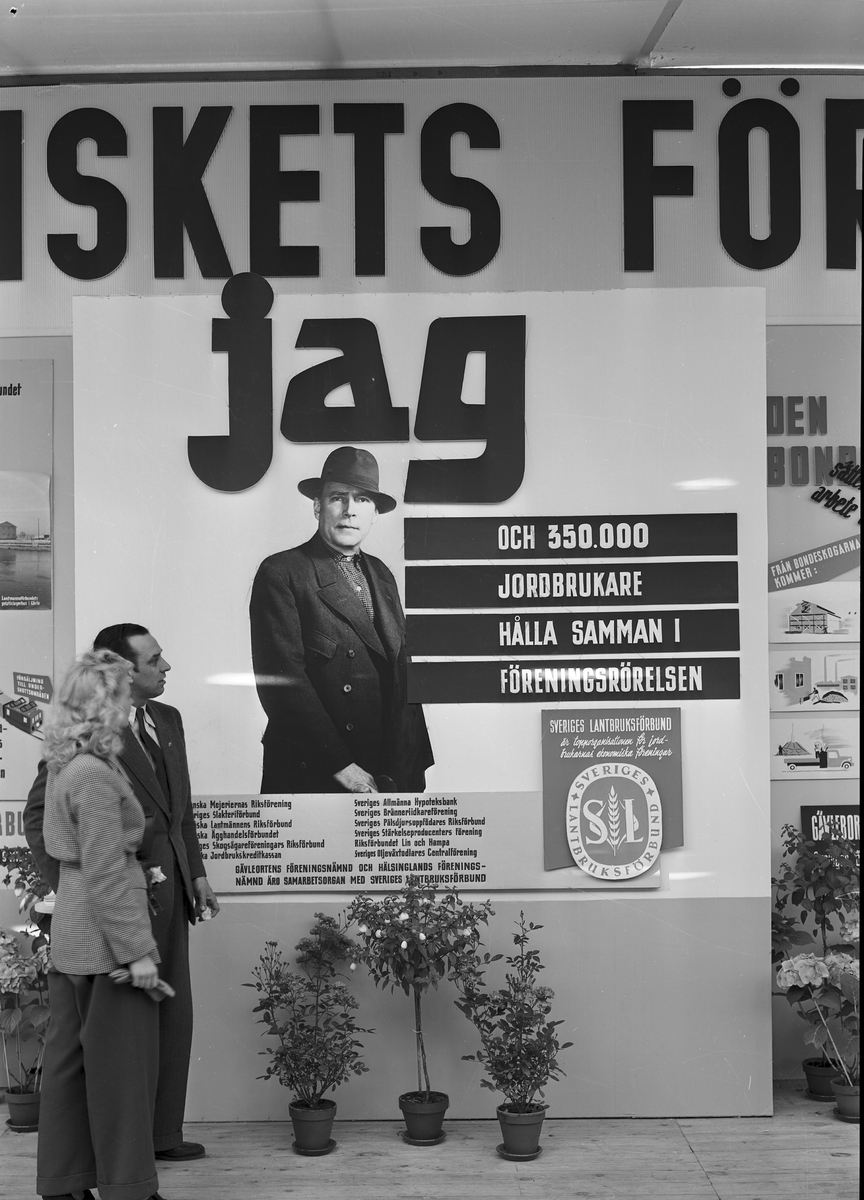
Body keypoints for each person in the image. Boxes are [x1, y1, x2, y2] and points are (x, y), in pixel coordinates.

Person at [24, 624, 219, 1162]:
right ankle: (120, 1159)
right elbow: (40, 818)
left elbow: (180, 810)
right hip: (115, 903)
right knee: (121, 1038)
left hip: (170, 894)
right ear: (122, 671)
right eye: (154, 660)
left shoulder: (167, 720)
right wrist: (77, 888)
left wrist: (196, 873)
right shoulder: (83, 739)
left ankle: (162, 1135)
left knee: (172, 1017)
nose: (166, 666)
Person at [36, 649, 164, 1200]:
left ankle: (64, 1184)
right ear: (106, 705)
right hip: (106, 942)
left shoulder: (68, 765)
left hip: (74, 935)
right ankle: (130, 1189)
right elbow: (107, 869)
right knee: (121, 1073)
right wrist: (136, 952)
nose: (131, 704)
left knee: (69, 1067)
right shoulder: (92, 773)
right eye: (125, 694)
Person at [250, 445, 433, 794]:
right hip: (319, 770)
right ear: (318, 506)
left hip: (387, 769)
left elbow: (401, 675)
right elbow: (283, 683)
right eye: (338, 497)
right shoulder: (283, 572)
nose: (350, 510)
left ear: (374, 513)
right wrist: (341, 766)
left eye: (362, 499)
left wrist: (410, 769)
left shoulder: (382, 574)